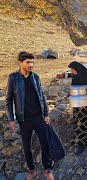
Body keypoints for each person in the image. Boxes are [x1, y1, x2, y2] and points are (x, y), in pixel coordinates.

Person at [5, 52, 54, 180]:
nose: (31, 65)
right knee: (27, 146)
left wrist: (46, 114)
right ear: (20, 63)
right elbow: (8, 100)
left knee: (45, 143)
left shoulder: (36, 77)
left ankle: (47, 168)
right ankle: (31, 169)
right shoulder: (13, 78)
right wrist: (11, 119)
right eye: (28, 62)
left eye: (32, 62)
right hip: (23, 119)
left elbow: (42, 97)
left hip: (38, 117)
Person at [68, 61, 87, 154]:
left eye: (72, 69)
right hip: (77, 104)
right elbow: (73, 89)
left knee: (83, 122)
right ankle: (80, 141)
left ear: (78, 68)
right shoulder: (75, 77)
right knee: (78, 122)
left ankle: (81, 144)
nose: (72, 71)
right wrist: (68, 96)